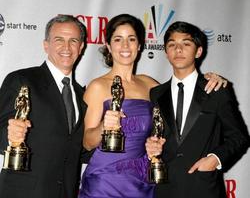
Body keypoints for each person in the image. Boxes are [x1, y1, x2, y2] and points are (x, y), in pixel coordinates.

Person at [78, 14, 226, 198]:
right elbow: (86, 142)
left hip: (142, 181)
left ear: (139, 45)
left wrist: (211, 80)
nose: (125, 46)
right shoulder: (97, 87)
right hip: (105, 181)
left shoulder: (151, 86)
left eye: (131, 39)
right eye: (118, 39)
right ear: (108, 45)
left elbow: (184, 97)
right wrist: (103, 127)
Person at [146, 21, 249, 198]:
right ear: (166, 52)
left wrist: (214, 159)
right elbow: (157, 135)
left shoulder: (216, 90)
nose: (178, 49)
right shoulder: (156, 93)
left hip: (204, 188)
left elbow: (238, 137)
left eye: (186, 44)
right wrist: (151, 145)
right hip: (165, 189)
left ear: (198, 51)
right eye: (172, 44)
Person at [0, 15, 89, 198]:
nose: (66, 47)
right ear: (45, 45)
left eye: (73, 41)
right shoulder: (22, 80)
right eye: (59, 40)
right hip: (23, 193)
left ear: (81, 48)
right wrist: (10, 136)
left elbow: (78, 151)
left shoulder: (83, 95)